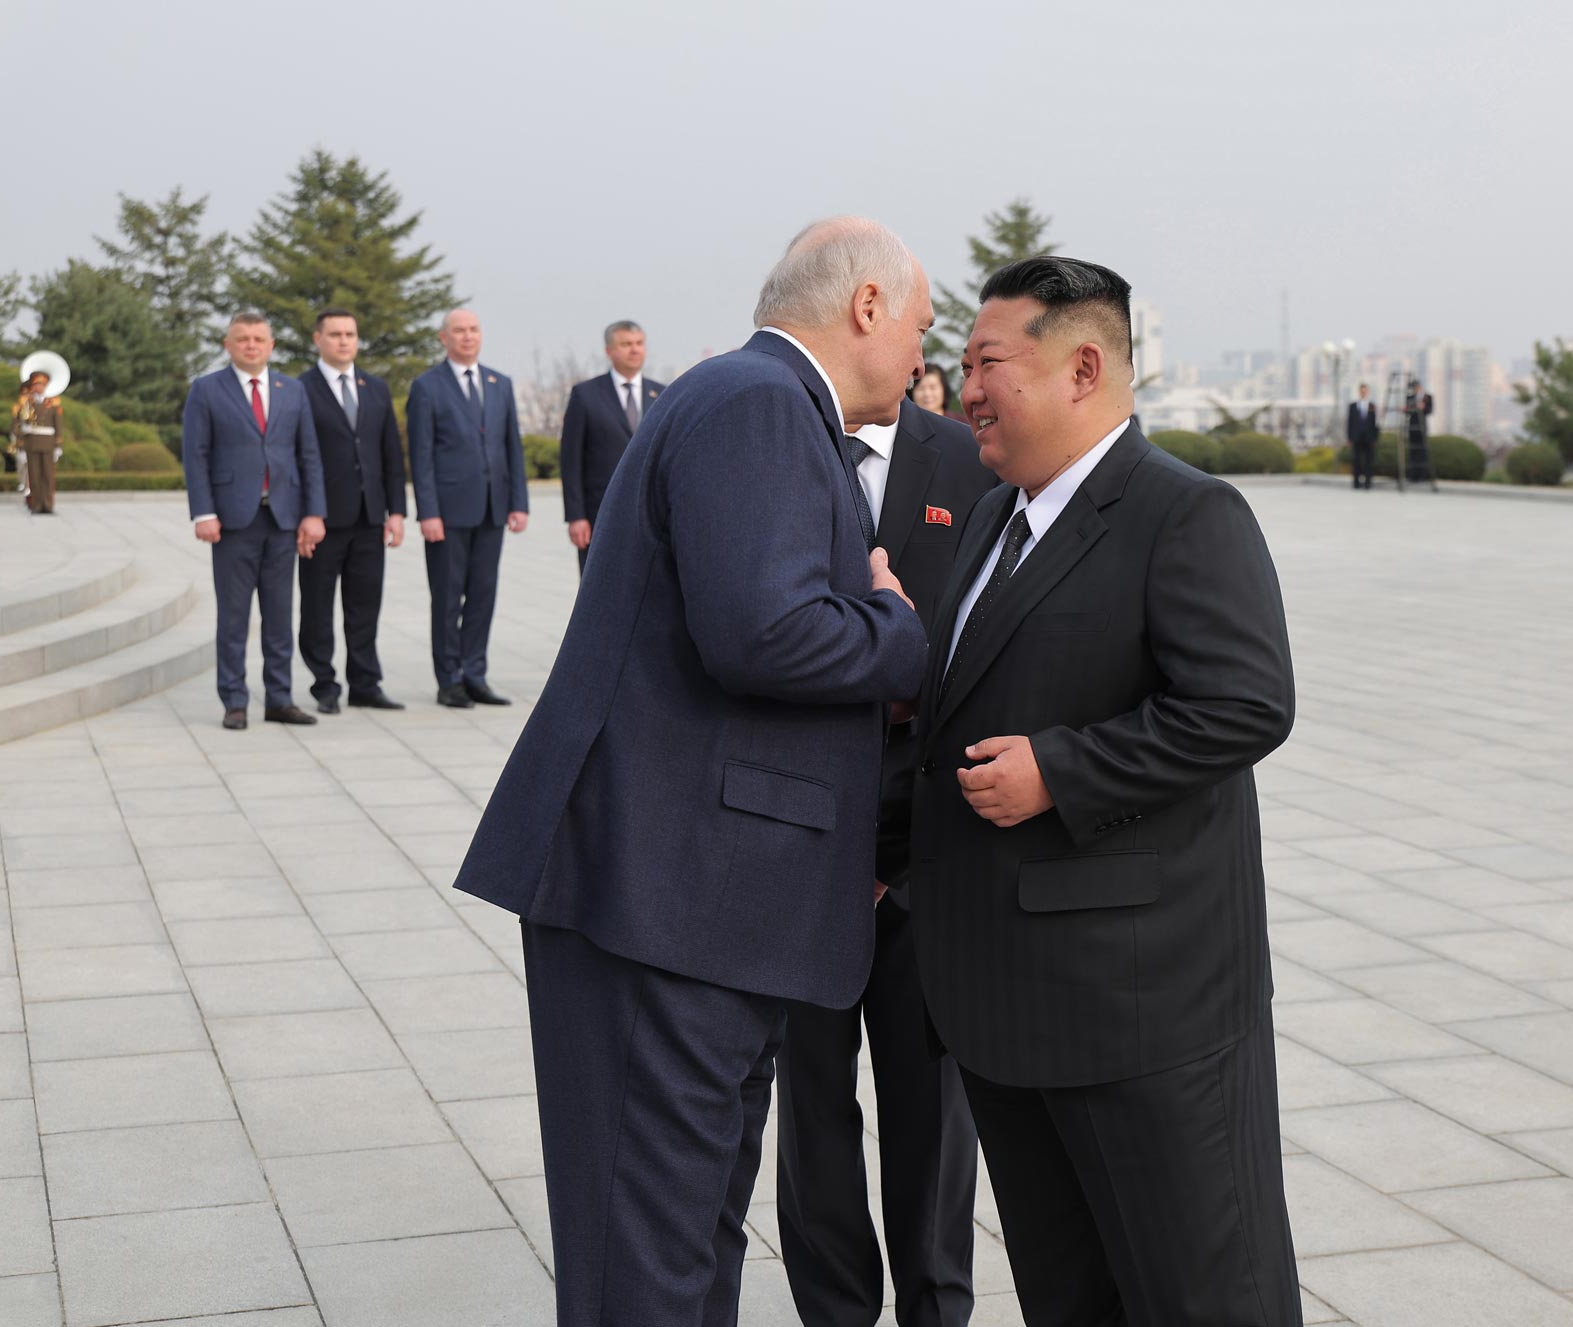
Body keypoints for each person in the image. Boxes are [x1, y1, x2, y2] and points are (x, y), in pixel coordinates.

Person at [452, 216, 930, 1326]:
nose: (920, 357)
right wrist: (895, 626)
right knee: (649, 1262)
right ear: (865, 306)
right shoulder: (760, 403)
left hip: (699, 902)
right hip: (666, 901)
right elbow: (763, 633)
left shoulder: (753, 402)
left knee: (689, 1238)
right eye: (917, 326)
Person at [911, 256, 1303, 1326]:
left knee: (1200, 1293)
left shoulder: (1183, 514)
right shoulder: (996, 519)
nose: (965, 388)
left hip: (1142, 1015)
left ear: (1082, 366)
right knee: (1067, 1296)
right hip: (1008, 1013)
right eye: (960, 363)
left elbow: (1243, 705)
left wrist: (1061, 770)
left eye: (986, 362)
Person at [775, 389, 996, 1327]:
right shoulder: (776, 444)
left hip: (927, 861)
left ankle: (936, 1309)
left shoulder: (968, 459)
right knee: (812, 1116)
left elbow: (986, 662)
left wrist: (896, 848)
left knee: (934, 1124)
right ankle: (833, 1310)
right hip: (800, 856)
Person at [182, 311, 328, 731]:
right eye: (242, 339)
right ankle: (234, 700)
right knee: (234, 616)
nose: (251, 345)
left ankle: (280, 698)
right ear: (228, 345)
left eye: (258, 338)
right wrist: (204, 512)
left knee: (280, 616)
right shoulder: (207, 390)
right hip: (232, 522)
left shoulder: (291, 390)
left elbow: (309, 455)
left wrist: (313, 513)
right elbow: (197, 455)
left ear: (271, 346)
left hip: (283, 518)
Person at [406, 309, 528, 708]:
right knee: (447, 596)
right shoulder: (427, 387)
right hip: (448, 511)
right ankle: (449, 679)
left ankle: (475, 673)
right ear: (444, 338)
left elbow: (512, 446)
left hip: (492, 509)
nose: (468, 336)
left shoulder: (499, 383)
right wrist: (428, 512)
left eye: (474, 329)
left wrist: (518, 502)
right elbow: (420, 455)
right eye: (459, 331)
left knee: (483, 595)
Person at [296, 307, 408, 714]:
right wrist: (307, 514)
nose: (345, 341)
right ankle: (324, 685)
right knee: (317, 606)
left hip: (369, 517)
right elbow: (297, 457)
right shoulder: (300, 389)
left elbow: (390, 454)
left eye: (351, 334)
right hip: (322, 520)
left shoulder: (374, 387)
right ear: (318, 340)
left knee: (364, 605)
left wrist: (396, 510)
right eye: (336, 334)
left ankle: (365, 683)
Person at [559, 319, 663, 573]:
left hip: (652, 518)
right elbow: (571, 460)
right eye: (626, 344)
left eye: (639, 343)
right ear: (609, 351)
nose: (634, 350)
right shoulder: (585, 395)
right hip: (599, 516)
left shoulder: (662, 394)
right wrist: (576, 516)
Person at [11, 372, 62, 514]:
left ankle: (48, 505)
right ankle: (36, 505)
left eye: (41, 384)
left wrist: (58, 446)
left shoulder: (53, 402)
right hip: (31, 442)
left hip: (48, 442)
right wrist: (21, 439)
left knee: (48, 476)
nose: (38, 387)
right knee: (34, 475)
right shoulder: (25, 403)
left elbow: (58, 425)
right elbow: (15, 424)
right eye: (36, 384)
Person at [1347, 381, 1379, 489]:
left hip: (1369, 438)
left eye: (1365, 391)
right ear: (1359, 392)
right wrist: (1349, 438)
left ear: (1367, 392)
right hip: (1356, 437)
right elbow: (1349, 422)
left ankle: (1368, 483)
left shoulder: (1372, 406)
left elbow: (1375, 423)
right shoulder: (1352, 406)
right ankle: (1356, 483)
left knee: (1369, 461)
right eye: (1361, 391)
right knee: (1356, 461)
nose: (1363, 393)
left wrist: (1375, 438)